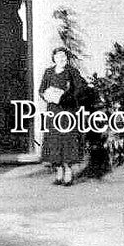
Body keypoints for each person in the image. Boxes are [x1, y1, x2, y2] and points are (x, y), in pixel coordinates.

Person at [39, 46, 87, 186]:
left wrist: (67, 97)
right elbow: (41, 90)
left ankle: (68, 172)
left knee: (67, 140)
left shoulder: (72, 72)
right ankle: (59, 171)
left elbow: (80, 89)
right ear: (53, 58)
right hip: (53, 111)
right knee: (54, 141)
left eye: (64, 57)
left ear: (67, 58)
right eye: (58, 56)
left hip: (67, 111)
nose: (61, 59)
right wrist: (47, 95)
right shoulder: (48, 72)